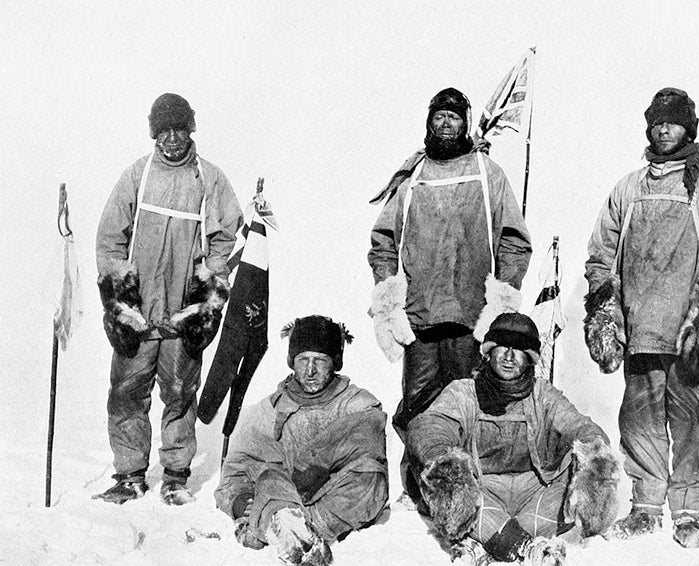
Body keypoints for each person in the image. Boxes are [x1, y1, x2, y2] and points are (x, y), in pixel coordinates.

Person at [583, 87, 699, 548]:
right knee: (638, 418)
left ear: (690, 128)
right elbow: (602, 252)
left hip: (689, 332)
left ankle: (688, 513)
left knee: (687, 420)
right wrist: (606, 303)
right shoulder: (629, 188)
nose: (664, 129)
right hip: (641, 326)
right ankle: (646, 507)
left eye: (674, 121)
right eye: (657, 121)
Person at [367, 87, 532, 498]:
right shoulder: (413, 176)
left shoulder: (486, 172)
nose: (445, 123)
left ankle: (470, 485)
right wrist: (389, 294)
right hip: (421, 316)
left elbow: (513, 239)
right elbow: (384, 240)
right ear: (429, 121)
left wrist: (503, 299)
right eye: (439, 115)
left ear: (465, 123)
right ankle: (419, 486)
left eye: (454, 117)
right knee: (419, 403)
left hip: (471, 318)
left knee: (470, 402)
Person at [94, 93, 243, 505]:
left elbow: (225, 237)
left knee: (179, 392)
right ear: (154, 134)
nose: (173, 139)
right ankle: (129, 475)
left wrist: (205, 292)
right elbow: (109, 240)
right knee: (127, 392)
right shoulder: (137, 177)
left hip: (181, 314)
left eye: (180, 129)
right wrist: (121, 302)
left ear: (191, 129)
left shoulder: (209, 179)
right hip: (138, 314)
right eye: (165, 131)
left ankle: (176, 475)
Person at [407, 313, 622, 566]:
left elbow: (578, 425)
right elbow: (431, 425)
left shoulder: (543, 394)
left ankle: (486, 540)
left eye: (519, 350)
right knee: (452, 490)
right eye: (502, 347)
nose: (509, 356)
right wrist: (442, 459)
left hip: (534, 491)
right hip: (481, 490)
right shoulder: (463, 392)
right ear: (488, 352)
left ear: (529, 359)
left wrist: (596, 456)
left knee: (573, 477)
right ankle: (523, 546)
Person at [215, 315, 389, 565]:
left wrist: (315, 466)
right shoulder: (268, 411)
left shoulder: (357, 404)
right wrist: (241, 501)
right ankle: (288, 527)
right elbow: (235, 472)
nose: (310, 370)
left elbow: (368, 457)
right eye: (303, 360)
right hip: (284, 494)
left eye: (320, 360)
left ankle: (288, 529)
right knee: (268, 478)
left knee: (370, 479)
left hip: (334, 498)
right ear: (291, 363)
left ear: (335, 363)